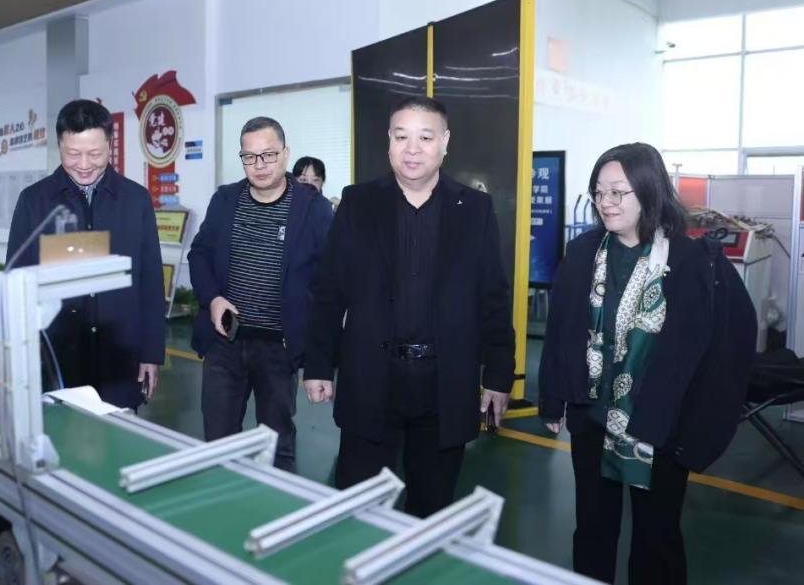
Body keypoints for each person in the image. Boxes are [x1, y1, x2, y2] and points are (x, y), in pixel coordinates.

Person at [538, 142, 754, 584]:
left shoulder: (695, 262)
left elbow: (728, 345)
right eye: (600, 192)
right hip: (592, 416)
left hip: (660, 425)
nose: (607, 202)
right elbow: (561, 327)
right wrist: (553, 398)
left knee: (657, 538)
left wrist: (702, 422)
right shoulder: (583, 253)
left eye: (619, 192)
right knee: (592, 529)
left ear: (649, 191)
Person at [304, 95, 514, 516]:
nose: (412, 149)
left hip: (444, 384)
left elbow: (492, 295)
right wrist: (318, 365)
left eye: (425, 138)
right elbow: (329, 291)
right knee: (359, 507)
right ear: (389, 142)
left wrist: (498, 374)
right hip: (371, 378)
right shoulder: (358, 203)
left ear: (445, 142)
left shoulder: (474, 209)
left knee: (432, 508)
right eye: (401, 137)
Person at [188, 117, 333, 472]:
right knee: (218, 444)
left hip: (278, 349)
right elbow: (199, 254)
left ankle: (280, 506)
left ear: (286, 154)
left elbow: (329, 283)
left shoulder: (312, 208)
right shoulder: (225, 200)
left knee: (277, 445)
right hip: (225, 342)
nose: (260, 165)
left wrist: (321, 362)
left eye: (268, 155)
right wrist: (213, 299)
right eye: (250, 157)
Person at [6, 99, 164, 409]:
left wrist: (151, 353)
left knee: (118, 434)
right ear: (59, 146)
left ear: (110, 146)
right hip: (57, 357)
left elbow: (150, 281)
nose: (84, 164)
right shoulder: (34, 201)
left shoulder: (135, 200)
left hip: (119, 356)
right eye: (73, 154)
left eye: (95, 154)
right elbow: (17, 283)